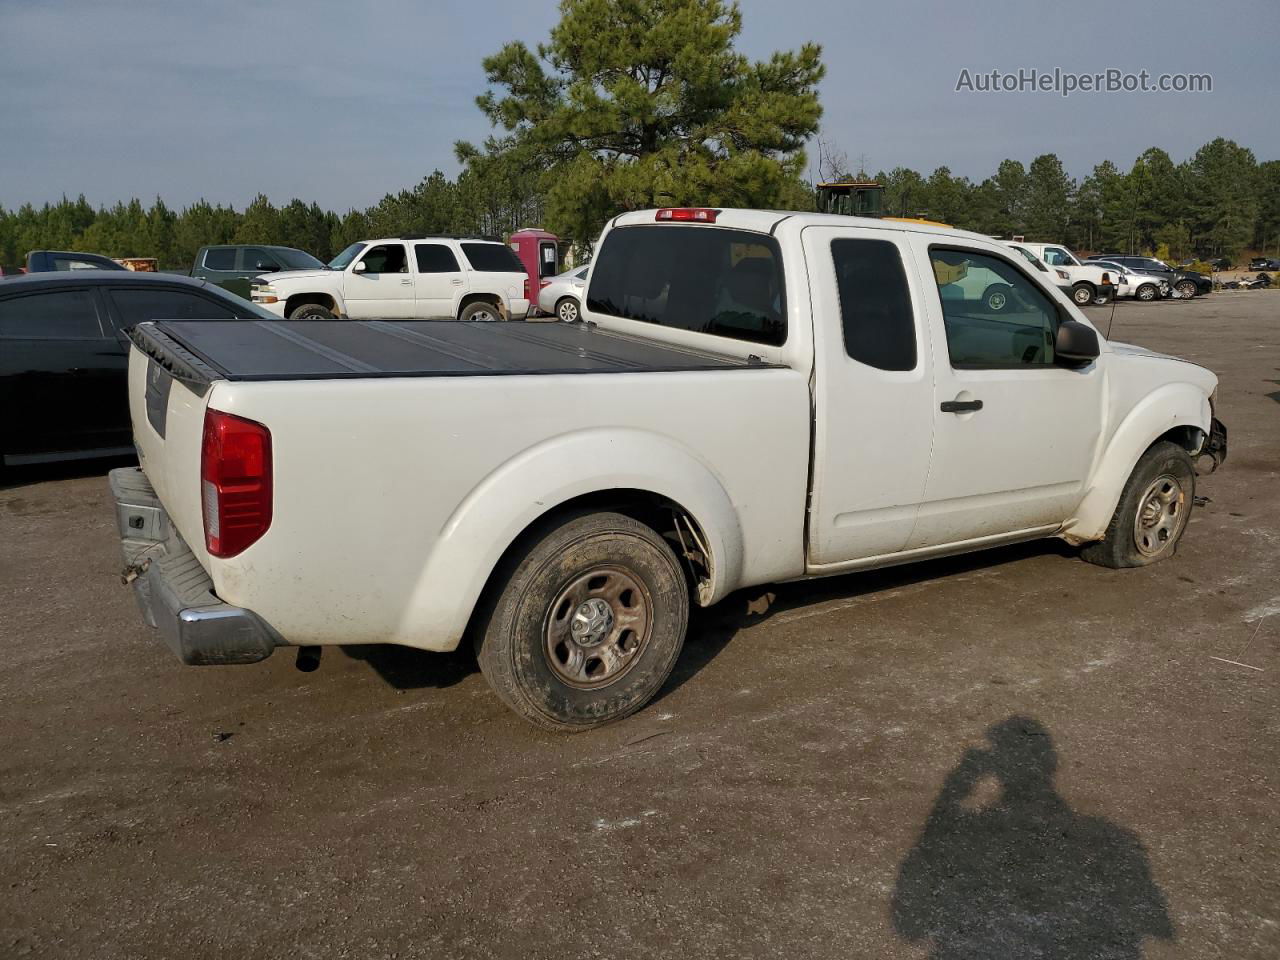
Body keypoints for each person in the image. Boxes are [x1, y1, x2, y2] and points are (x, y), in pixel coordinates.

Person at [892, 716, 1173, 959]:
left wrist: (952, 791)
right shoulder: (1114, 839)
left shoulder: (969, 831)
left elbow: (910, 925)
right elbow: (1153, 925)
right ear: (1051, 762)